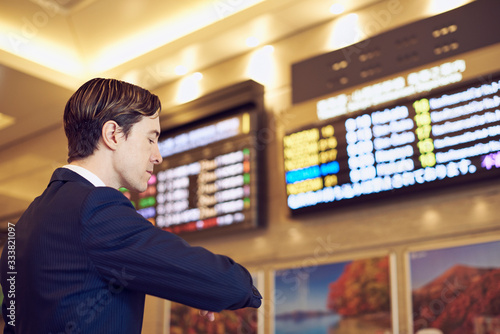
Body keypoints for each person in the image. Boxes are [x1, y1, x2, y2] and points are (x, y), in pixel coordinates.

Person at [0, 78, 262, 333]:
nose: (157, 156)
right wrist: (218, 287)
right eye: (151, 139)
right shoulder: (96, 208)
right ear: (113, 134)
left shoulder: (25, 222)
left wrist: (202, 286)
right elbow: (230, 285)